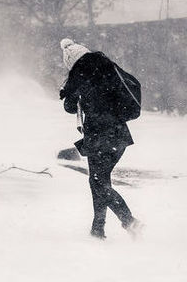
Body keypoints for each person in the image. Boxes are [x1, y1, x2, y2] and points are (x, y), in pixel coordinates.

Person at [59, 38, 140, 239]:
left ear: (72, 62)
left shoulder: (80, 76)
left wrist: (70, 90)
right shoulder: (108, 69)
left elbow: (69, 107)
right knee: (100, 181)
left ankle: (129, 221)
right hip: (119, 135)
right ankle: (98, 229)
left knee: (98, 182)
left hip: (98, 136)